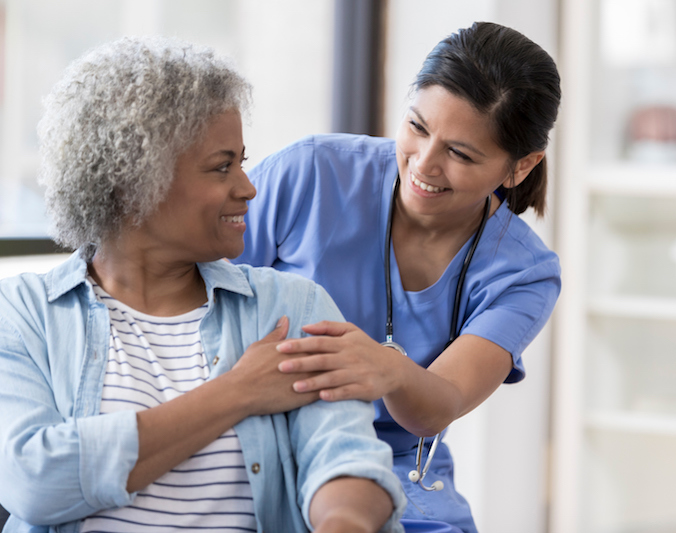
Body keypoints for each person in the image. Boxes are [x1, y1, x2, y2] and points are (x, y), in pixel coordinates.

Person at [0, 36, 405, 533]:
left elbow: (344, 455)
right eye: (222, 166)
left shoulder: (289, 306)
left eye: (242, 161)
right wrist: (238, 392)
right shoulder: (22, 314)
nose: (248, 187)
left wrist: (345, 523)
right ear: (134, 185)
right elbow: (33, 482)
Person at [234, 21, 562, 533]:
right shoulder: (314, 172)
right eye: (417, 127)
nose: (424, 165)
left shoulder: (524, 273)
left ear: (521, 166)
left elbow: (438, 407)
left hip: (397, 469)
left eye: (460, 154)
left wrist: (389, 369)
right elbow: (193, 290)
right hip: (256, 434)